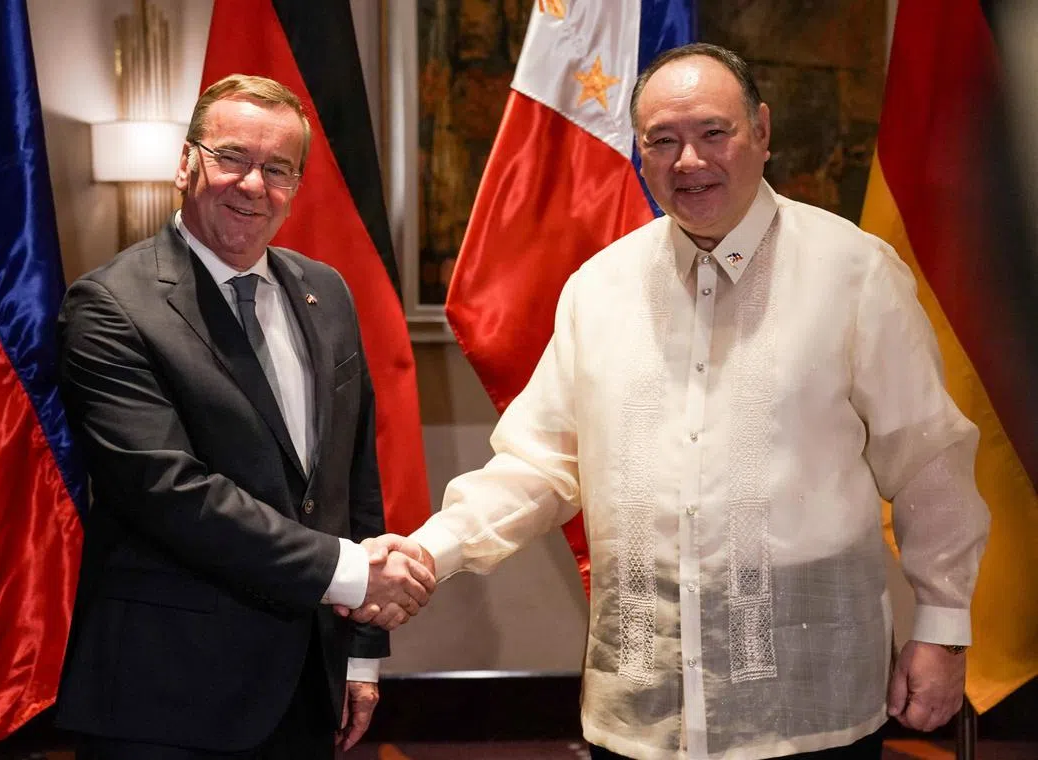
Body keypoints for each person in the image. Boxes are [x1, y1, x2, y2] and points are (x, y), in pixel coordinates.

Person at [367, 43, 990, 759]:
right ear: (639, 151)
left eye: (713, 132)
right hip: (642, 710)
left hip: (807, 706)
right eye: (662, 140)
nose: (689, 161)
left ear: (761, 130)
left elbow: (930, 462)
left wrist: (943, 627)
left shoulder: (855, 274)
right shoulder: (599, 289)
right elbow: (538, 465)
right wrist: (430, 551)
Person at [54, 74, 435, 759]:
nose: (253, 185)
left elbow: (352, 477)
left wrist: (361, 651)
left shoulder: (325, 290)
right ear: (185, 162)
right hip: (167, 698)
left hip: (308, 685)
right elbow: (169, 492)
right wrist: (351, 573)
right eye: (232, 157)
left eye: (277, 168)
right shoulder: (110, 307)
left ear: (296, 184)